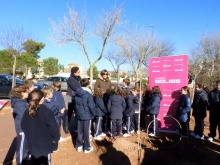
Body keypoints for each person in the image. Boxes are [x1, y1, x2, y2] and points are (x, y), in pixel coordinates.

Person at [21, 89, 60, 164]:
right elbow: (53, 128)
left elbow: (23, 126)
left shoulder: (27, 111)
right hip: (44, 145)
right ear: (42, 99)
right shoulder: (46, 111)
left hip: (32, 144)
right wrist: (55, 139)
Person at [74, 78, 96, 153]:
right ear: (88, 85)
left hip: (79, 115)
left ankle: (79, 145)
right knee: (86, 132)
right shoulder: (88, 95)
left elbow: (75, 104)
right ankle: (87, 147)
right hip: (87, 116)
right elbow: (91, 106)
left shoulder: (76, 93)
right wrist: (94, 113)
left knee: (79, 131)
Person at [10, 84, 30, 164]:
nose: (28, 92)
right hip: (22, 129)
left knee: (27, 149)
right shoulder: (19, 104)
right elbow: (25, 116)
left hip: (27, 128)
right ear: (20, 93)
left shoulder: (23, 102)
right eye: (26, 91)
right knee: (22, 151)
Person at [66, 67, 81, 132]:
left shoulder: (78, 79)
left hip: (76, 96)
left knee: (77, 112)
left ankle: (76, 127)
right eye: (78, 72)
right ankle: (67, 127)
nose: (79, 73)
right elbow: (75, 88)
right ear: (74, 72)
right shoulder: (70, 79)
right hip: (69, 96)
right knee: (68, 112)